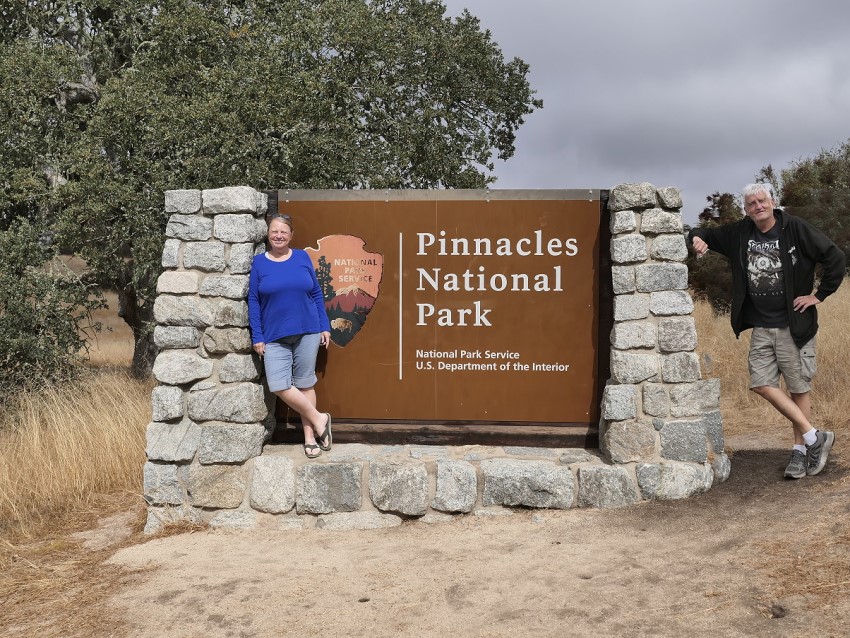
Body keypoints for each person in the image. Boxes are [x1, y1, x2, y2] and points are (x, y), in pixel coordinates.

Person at [689, 183, 845, 479]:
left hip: (794, 326)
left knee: (798, 388)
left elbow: (834, 257)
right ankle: (815, 438)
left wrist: (819, 295)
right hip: (762, 326)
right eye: (751, 203)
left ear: (772, 202)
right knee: (761, 384)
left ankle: (800, 453)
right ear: (746, 209)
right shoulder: (740, 232)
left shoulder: (795, 229)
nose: (758, 206)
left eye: (762, 200)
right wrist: (696, 237)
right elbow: (705, 233)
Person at [248, 213, 333, 458]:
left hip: (308, 329)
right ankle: (320, 419)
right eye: (274, 231)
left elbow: (316, 293)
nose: (279, 235)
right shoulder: (259, 264)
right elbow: (253, 301)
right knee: (279, 385)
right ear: (268, 234)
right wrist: (257, 336)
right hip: (274, 335)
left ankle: (310, 438)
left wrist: (324, 325)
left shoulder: (302, 257)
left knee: (305, 382)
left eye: (283, 232)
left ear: (291, 235)